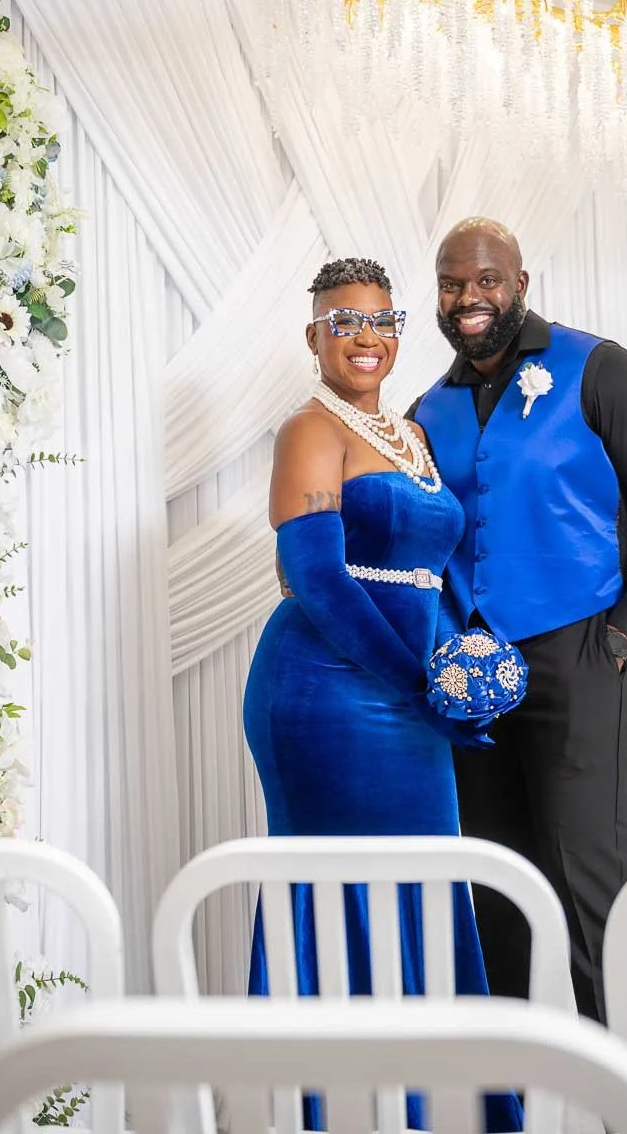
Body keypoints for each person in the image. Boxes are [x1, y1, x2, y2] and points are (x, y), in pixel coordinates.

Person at [410, 218, 627, 1063]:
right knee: (495, 879)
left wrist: (624, 634)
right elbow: (427, 541)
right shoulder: (426, 409)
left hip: (583, 651)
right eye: (451, 284)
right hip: (473, 673)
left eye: (485, 281)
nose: (468, 299)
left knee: (588, 874)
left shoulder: (597, 368)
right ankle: (510, 1099)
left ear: (520, 282)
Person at [244, 256, 523, 1132]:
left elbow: (432, 574)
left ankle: (443, 1110)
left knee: (429, 881)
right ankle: (320, 1111)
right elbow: (317, 580)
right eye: (345, 323)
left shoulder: (412, 435)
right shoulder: (307, 432)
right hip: (324, 693)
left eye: (382, 322)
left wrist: (470, 660)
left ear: (398, 332)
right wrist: (420, 684)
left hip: (411, 696)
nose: (366, 338)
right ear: (314, 336)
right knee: (335, 890)